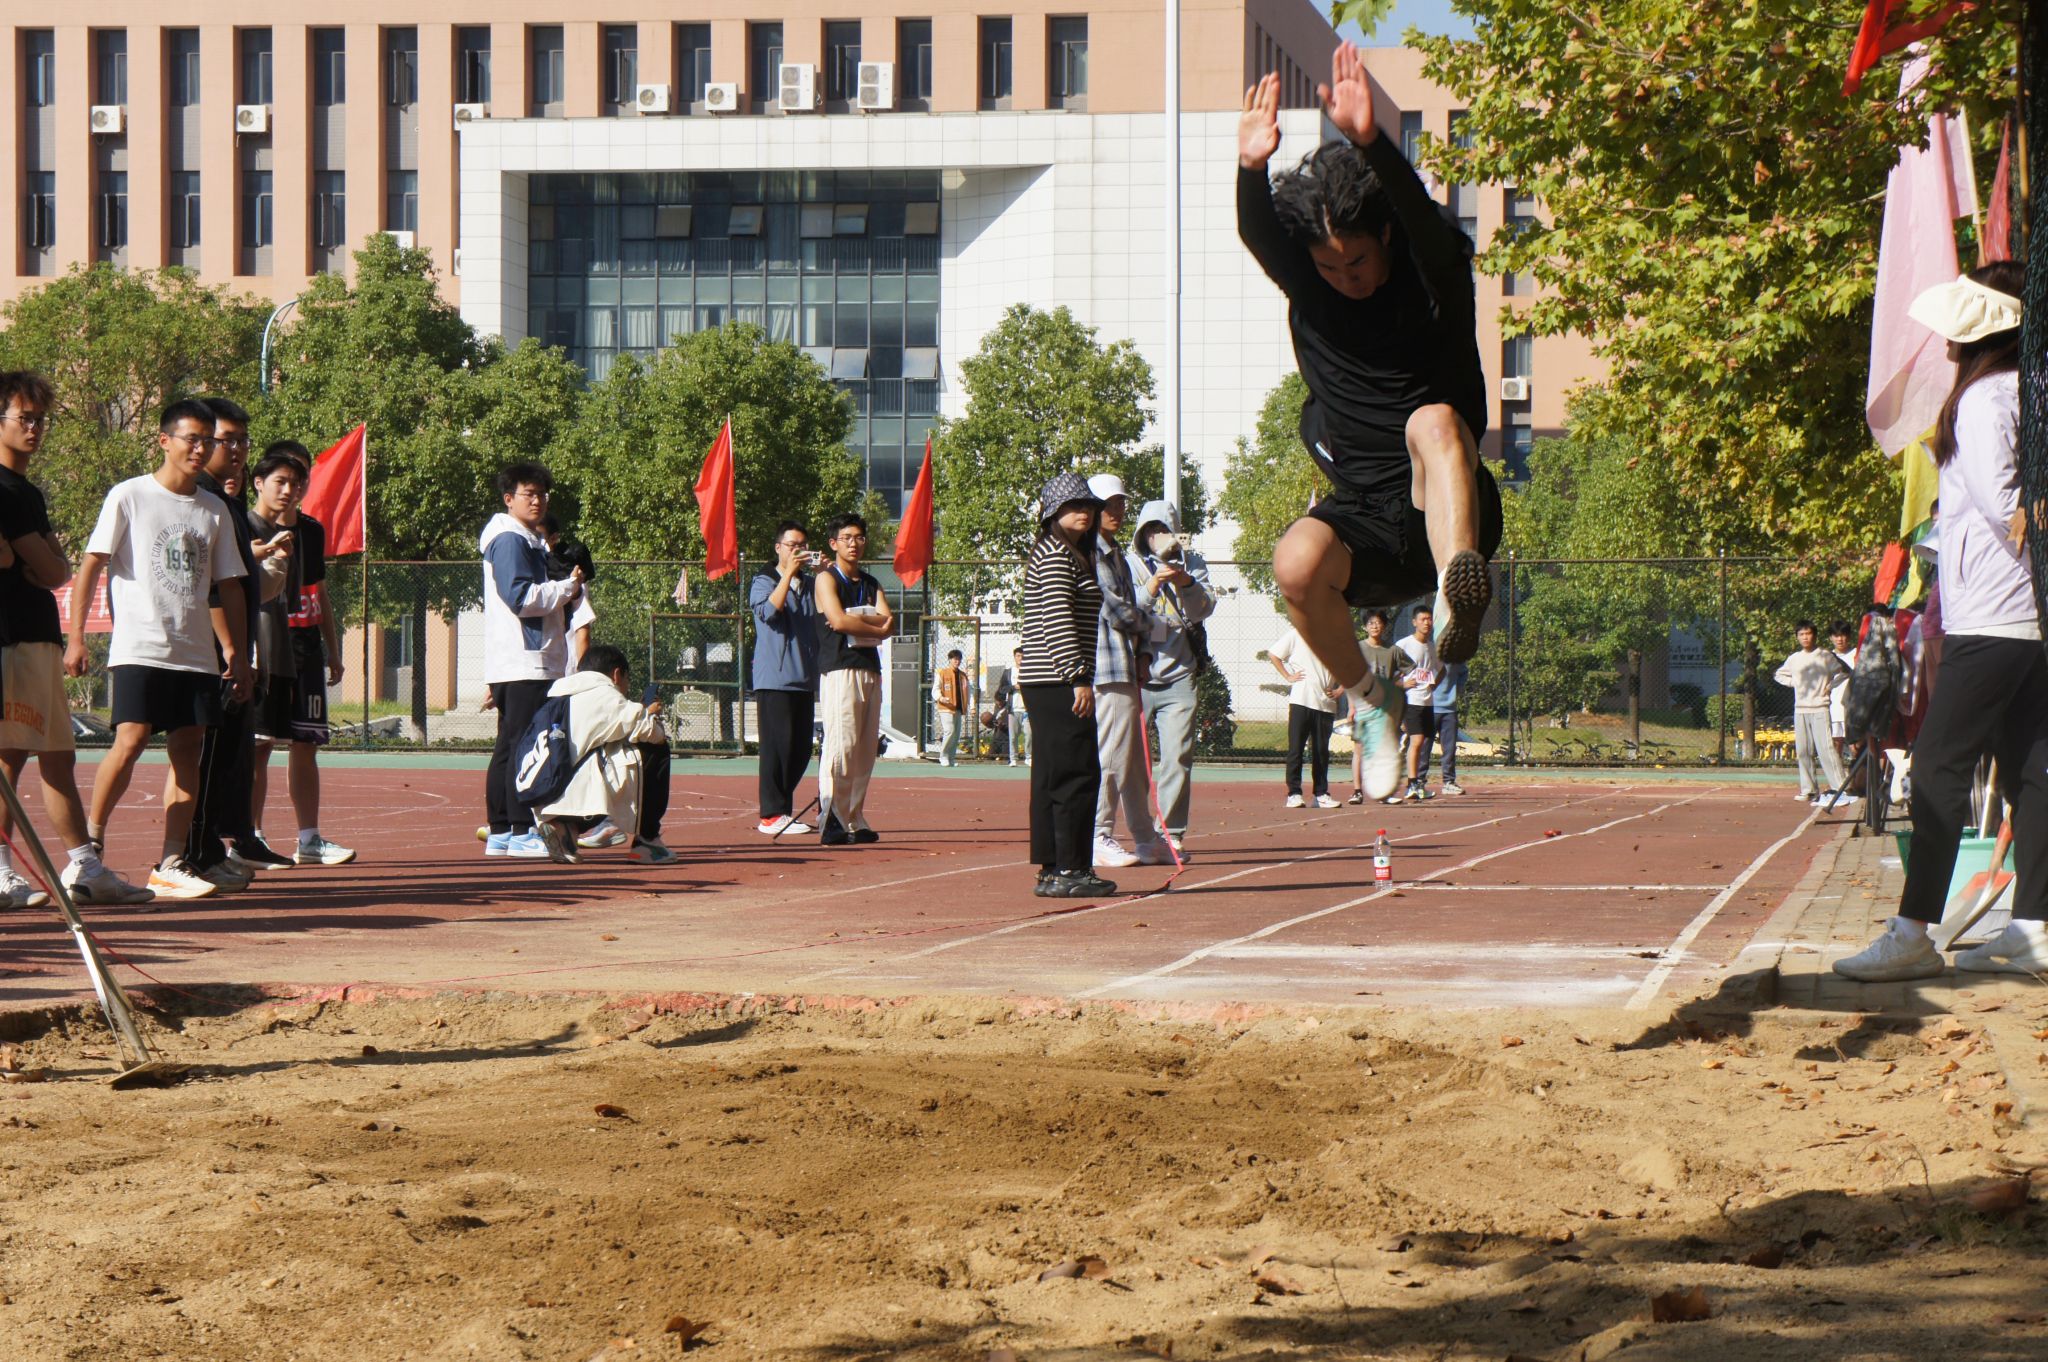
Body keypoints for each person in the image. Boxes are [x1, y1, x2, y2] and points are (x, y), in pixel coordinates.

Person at [1238, 44, 1502, 804]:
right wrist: (1251, 167)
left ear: (1382, 238)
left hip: (1442, 498)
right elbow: (1261, 237)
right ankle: (1371, 702)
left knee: (1434, 421)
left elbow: (1428, 228)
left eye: (1355, 262)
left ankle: (1455, 595)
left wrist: (1370, 141)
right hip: (1363, 520)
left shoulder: (1431, 282)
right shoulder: (1311, 289)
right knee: (1294, 561)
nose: (1344, 279)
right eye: (1328, 267)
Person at [1838, 264, 2048, 980]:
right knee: (2031, 768)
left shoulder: (1986, 398)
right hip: (2023, 616)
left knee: (1937, 768)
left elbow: (2003, 504)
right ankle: (2033, 928)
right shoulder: (2023, 390)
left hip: (1993, 617)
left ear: (1981, 331)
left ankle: (1912, 934)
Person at [64, 399, 250, 900]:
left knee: (188, 752)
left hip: (196, 654)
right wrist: (77, 637)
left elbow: (227, 586)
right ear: (164, 441)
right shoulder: (129, 495)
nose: (201, 449)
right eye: (192, 439)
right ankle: (88, 854)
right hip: (140, 647)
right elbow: (92, 564)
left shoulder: (214, 509)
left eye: (208, 440)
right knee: (130, 740)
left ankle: (170, 862)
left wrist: (235, 652)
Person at [0, 371, 152, 906]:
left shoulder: (27, 492)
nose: (35, 429)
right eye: (25, 418)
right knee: (10, 756)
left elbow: (56, 570)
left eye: (41, 419)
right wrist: (41, 562)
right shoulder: (2, 490)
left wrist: (39, 561)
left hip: (36, 637)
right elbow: (49, 567)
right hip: (11, 638)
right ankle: (4, 871)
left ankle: (85, 867)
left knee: (56, 756)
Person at [186, 396, 294, 888]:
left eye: (242, 441)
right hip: (206, 652)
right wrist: (230, 650)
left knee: (227, 755)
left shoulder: (223, 503)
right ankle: (185, 853)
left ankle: (209, 847)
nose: (235, 449)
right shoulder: (199, 501)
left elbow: (241, 585)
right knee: (203, 754)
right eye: (225, 440)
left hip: (233, 651)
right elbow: (213, 585)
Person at [479, 461, 584, 858]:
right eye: (529, 494)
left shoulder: (524, 539)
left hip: (519, 659)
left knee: (509, 746)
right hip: (525, 659)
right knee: (524, 745)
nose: (538, 501)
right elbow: (521, 598)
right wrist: (568, 587)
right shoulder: (510, 539)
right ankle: (521, 830)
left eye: (542, 494)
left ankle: (502, 832)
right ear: (509, 499)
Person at [1021, 473, 1116, 899]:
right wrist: (1077, 676)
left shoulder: (1055, 551)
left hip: (1043, 680)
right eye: (1073, 505)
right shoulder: (1059, 555)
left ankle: (1052, 868)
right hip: (1059, 679)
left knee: (1050, 776)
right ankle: (1072, 868)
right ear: (1053, 512)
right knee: (1077, 773)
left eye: (1088, 505)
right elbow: (1057, 617)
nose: (1085, 511)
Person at [258, 441, 353, 866]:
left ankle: (309, 838)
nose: (292, 487)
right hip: (266, 645)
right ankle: (252, 837)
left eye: (300, 479)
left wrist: (333, 649)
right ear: (263, 481)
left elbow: (320, 591)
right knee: (259, 744)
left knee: (306, 743)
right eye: (285, 478)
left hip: (306, 646)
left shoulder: (312, 531)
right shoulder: (248, 526)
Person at [1086, 474, 1171, 869]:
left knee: (1134, 760)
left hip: (1125, 663)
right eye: (1109, 504)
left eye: (1120, 503)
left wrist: (1144, 652)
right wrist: (1151, 621)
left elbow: (1129, 610)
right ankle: (1097, 834)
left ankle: (1145, 838)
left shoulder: (1116, 553)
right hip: (1107, 667)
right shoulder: (1090, 553)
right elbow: (1117, 610)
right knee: (1111, 754)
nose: (1117, 511)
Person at [532, 644, 676, 865]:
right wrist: (649, 714)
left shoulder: (556, 694)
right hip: (576, 788)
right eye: (627, 680)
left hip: (542, 793)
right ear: (617, 674)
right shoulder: (605, 695)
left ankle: (566, 827)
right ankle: (647, 841)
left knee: (599, 755)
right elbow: (653, 734)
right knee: (654, 749)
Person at [1128, 498, 1214, 861]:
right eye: (1150, 530)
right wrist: (1152, 585)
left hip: (1180, 675)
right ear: (1141, 534)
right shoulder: (1130, 564)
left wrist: (1184, 581)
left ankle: (1171, 832)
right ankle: (1137, 832)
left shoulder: (1193, 564)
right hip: (1137, 674)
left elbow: (1204, 608)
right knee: (1130, 761)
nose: (1157, 536)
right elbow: (1126, 610)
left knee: (1177, 758)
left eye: (1163, 529)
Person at [813, 512, 893, 845]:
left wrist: (858, 622)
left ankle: (854, 817)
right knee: (842, 745)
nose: (854, 544)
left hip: (870, 668)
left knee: (864, 749)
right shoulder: (826, 579)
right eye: (847, 538)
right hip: (840, 669)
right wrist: (869, 624)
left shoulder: (872, 583)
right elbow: (838, 621)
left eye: (859, 537)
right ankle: (831, 817)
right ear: (833, 543)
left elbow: (889, 623)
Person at [749, 520, 819, 836]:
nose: (798, 551)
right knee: (777, 748)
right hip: (774, 679)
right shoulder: (763, 581)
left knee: (800, 750)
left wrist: (827, 573)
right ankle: (771, 814)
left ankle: (781, 810)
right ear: (778, 548)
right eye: (792, 545)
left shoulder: (812, 584)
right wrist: (788, 574)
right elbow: (769, 612)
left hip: (804, 678)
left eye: (802, 546)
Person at [1774, 621, 1850, 805]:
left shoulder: (1824, 655)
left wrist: (1830, 686)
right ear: (1797, 637)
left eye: (1808, 634)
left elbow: (1845, 672)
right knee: (1803, 751)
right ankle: (1808, 789)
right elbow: (1779, 675)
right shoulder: (1794, 658)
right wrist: (1794, 683)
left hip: (1820, 708)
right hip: (1800, 709)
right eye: (1801, 634)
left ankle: (1840, 788)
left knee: (1826, 749)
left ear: (1814, 635)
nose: (1805, 637)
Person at [1269, 625, 1343, 808]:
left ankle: (1321, 794)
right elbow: (1274, 654)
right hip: (1301, 701)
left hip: (1326, 705)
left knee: (1321, 752)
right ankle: (1294, 794)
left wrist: (1339, 690)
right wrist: (1288, 676)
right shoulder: (1298, 633)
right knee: (1296, 749)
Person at [1350, 608, 1409, 804]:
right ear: (1365, 627)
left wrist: (1396, 684)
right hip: (1364, 705)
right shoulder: (1358, 649)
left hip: (1386, 709)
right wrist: (1351, 707)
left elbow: (1410, 669)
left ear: (1384, 626)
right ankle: (1357, 791)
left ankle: (1385, 793)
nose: (1375, 626)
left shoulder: (1393, 650)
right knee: (1360, 747)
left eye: (1378, 622)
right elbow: (1350, 680)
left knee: (1386, 748)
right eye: (1371, 623)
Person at [1393, 606, 1440, 804]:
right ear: (1414, 622)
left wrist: (1434, 683)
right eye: (1423, 619)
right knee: (1417, 740)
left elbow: (1441, 669)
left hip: (1427, 701)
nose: (1427, 623)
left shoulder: (1432, 647)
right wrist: (1402, 684)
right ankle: (1412, 784)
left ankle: (1418, 784)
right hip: (1410, 700)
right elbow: (1389, 673)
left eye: (1429, 619)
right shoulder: (1403, 645)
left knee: (1424, 743)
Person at [1419, 660, 1467, 796]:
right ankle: (1419, 781)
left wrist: (1457, 690)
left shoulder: (1455, 658)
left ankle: (1449, 782)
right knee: (1424, 747)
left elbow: (1464, 672)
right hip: (1429, 707)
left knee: (1449, 748)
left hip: (1449, 710)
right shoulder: (1428, 656)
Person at [1827, 620, 1858, 776]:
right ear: (1831, 638)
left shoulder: (1857, 654)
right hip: (1833, 707)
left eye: (1843, 635)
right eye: (1836, 635)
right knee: (1835, 745)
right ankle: (1837, 781)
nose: (1840, 639)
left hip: (1853, 707)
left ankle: (1857, 779)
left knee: (1855, 746)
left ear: (1849, 636)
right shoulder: (1827, 657)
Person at [994, 647, 1029, 766]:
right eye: (1018, 656)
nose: (1020, 658)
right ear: (1014, 657)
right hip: (1013, 709)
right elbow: (1002, 689)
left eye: (1022, 656)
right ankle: (1013, 759)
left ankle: (1029, 757)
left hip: (1027, 709)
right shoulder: (1008, 672)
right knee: (1013, 736)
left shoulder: (1029, 672)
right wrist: (1014, 687)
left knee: (1029, 735)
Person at [934, 647, 968, 767]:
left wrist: (971, 706)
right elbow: (935, 689)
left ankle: (951, 758)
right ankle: (943, 756)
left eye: (959, 659)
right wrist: (940, 698)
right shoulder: (942, 673)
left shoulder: (963, 676)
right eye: (955, 659)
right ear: (950, 660)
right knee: (949, 731)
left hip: (958, 708)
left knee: (956, 734)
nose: (957, 661)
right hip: (946, 708)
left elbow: (969, 691)